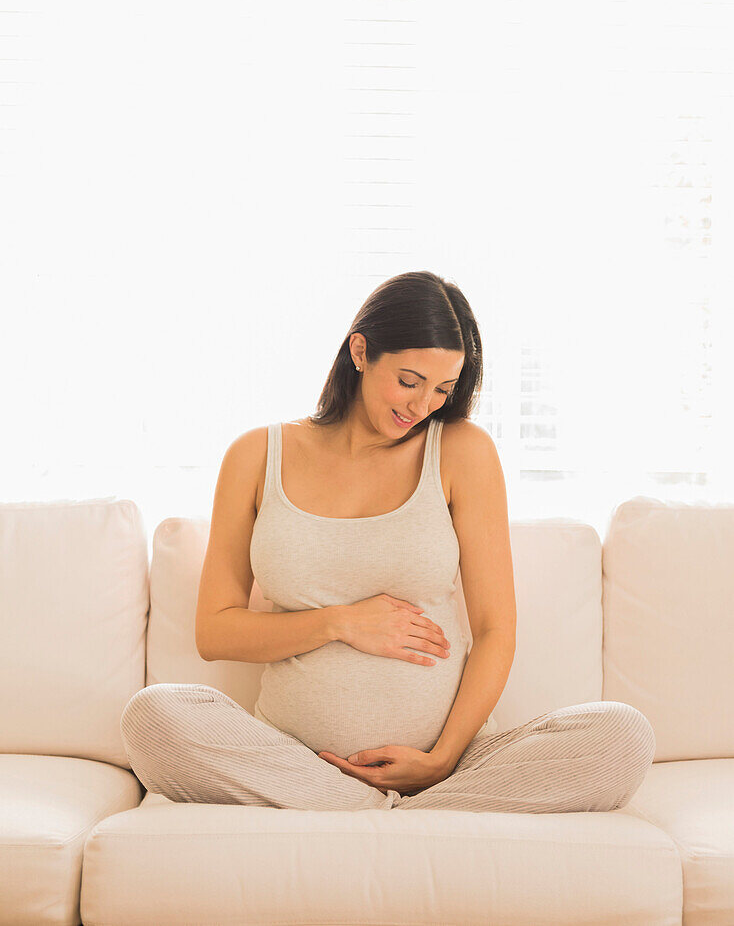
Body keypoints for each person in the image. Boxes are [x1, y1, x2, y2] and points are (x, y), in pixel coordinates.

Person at [120, 270, 655, 811]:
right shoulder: (256, 455)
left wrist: (442, 759)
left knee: (622, 736)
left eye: (442, 389)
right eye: (409, 380)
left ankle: (404, 804)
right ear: (360, 351)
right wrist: (342, 622)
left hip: (451, 768)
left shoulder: (461, 451)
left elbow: (496, 631)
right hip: (294, 758)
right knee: (154, 717)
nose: (422, 405)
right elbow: (215, 632)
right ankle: (373, 807)